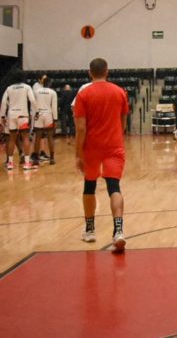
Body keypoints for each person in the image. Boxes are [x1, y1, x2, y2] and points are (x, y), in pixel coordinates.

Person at [74, 57, 130, 253]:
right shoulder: (119, 92)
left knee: (89, 186)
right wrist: (115, 137)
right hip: (114, 146)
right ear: (107, 71)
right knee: (114, 187)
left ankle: (90, 230)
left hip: (92, 147)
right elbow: (123, 122)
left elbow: (80, 128)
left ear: (90, 72)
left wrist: (78, 153)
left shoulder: (84, 94)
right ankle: (119, 231)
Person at [0, 79, 37, 171]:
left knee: (11, 139)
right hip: (23, 115)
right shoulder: (27, 87)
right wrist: (36, 111)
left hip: (11, 115)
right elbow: (32, 100)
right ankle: (27, 163)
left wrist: (2, 116)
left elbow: (3, 102)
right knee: (26, 138)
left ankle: (10, 163)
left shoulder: (9, 88)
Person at [32, 75, 58, 165]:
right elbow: (54, 107)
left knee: (38, 137)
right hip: (48, 115)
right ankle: (52, 158)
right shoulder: (52, 92)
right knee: (50, 137)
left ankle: (36, 159)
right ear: (50, 83)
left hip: (39, 114)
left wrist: (35, 114)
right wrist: (55, 119)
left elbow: (33, 103)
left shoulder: (36, 91)